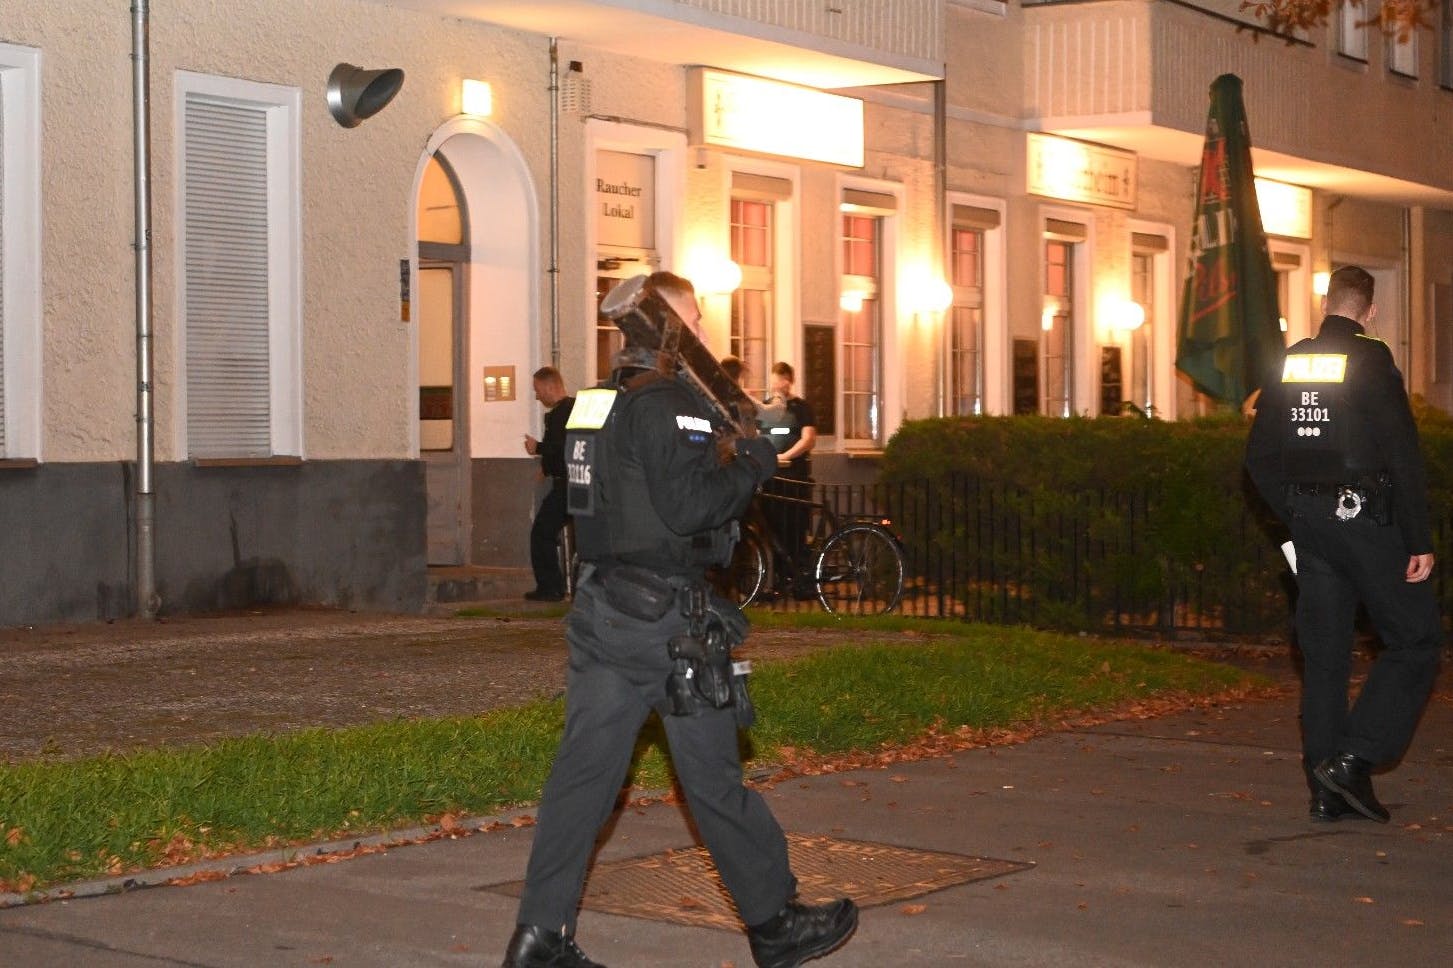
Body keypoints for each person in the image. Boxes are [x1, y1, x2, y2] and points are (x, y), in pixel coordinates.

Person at [501, 272, 858, 968]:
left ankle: (539, 937)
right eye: (693, 320)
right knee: (714, 781)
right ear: (665, 325)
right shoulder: (667, 404)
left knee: (582, 780)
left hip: (602, 611)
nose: (701, 332)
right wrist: (752, 463)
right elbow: (690, 508)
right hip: (667, 626)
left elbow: (588, 494)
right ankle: (775, 923)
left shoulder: (594, 402)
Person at [1245, 265, 1443, 824]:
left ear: (1325, 303)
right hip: (1365, 520)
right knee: (1416, 640)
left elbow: (1259, 458)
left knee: (1325, 658)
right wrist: (1419, 538)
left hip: (1310, 526)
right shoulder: (1371, 358)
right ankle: (1354, 761)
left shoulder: (1292, 361)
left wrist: (1296, 514)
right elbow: (1401, 454)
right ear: (1370, 311)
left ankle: (1326, 791)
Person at [758, 362, 818, 579]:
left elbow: (808, 439)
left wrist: (785, 457)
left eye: (781, 382)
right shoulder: (766, 408)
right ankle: (777, 580)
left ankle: (797, 579)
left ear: (789, 381)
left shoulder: (802, 408)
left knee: (794, 531)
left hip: (794, 480)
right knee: (772, 532)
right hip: (770, 479)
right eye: (774, 382)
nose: (777, 387)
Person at [523, 366, 575, 602]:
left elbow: (562, 447)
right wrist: (546, 468)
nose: (537, 396)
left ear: (548, 386)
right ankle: (559, 587)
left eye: (537, 389)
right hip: (573, 484)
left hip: (566, 486)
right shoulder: (570, 409)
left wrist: (538, 448)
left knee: (542, 533)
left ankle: (550, 588)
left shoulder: (562, 413)